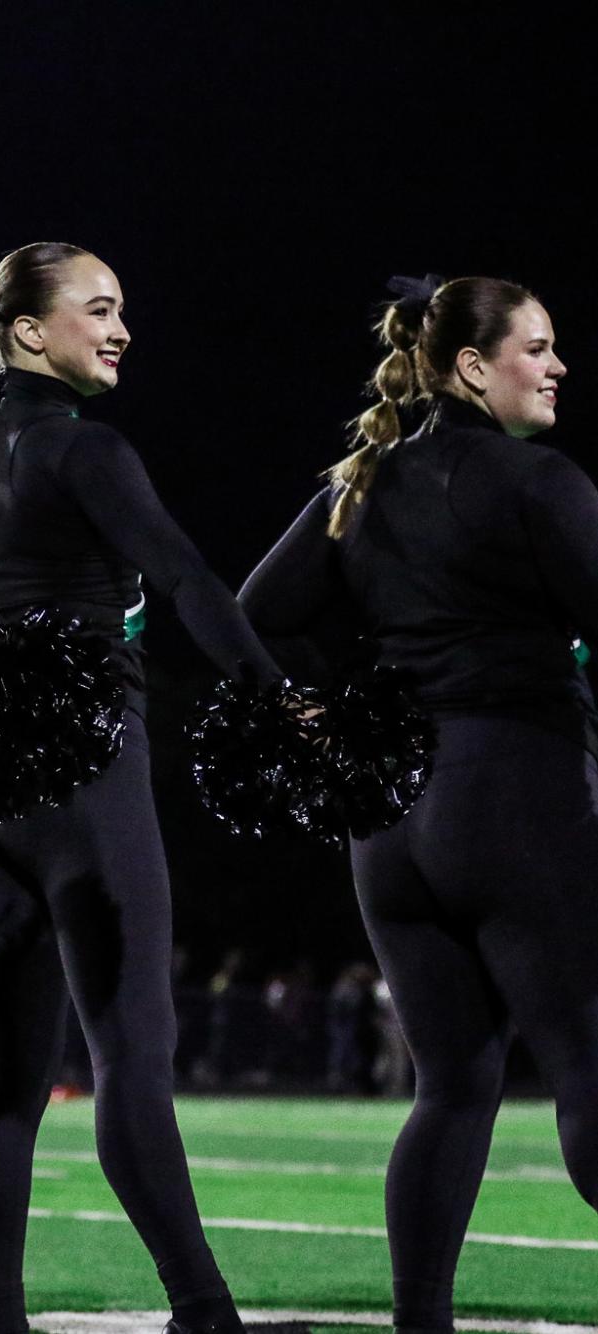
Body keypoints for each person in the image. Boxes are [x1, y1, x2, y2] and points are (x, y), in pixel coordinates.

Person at [0, 243, 278, 1334]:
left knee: (8, 1078)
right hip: (86, 770)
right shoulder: (85, 449)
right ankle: (203, 1309)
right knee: (133, 1046)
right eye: (98, 309)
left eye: (123, 308)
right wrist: (276, 693)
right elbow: (184, 577)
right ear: (29, 331)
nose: (121, 328)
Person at [239, 275, 598, 1333]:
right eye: (536, 346)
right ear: (473, 366)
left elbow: (255, 612)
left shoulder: (365, 483)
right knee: (585, 1051)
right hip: (513, 792)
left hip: (389, 816)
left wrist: (322, 710)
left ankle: (421, 1322)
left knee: (450, 1085)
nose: (558, 364)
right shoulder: (541, 481)